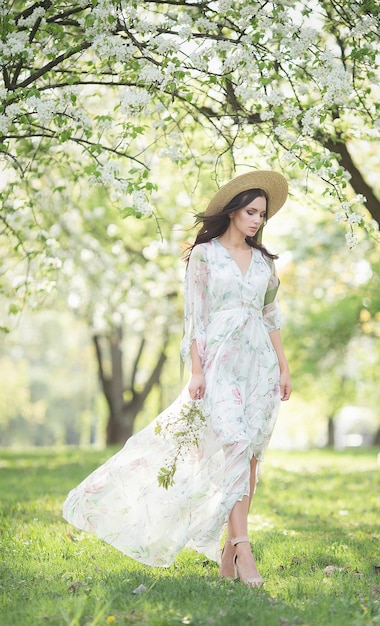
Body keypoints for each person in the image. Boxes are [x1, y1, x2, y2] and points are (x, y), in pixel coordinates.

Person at [63, 169, 292, 588]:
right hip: (220, 361)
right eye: (251, 212)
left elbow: (271, 315)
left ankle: (228, 555)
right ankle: (242, 547)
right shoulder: (204, 255)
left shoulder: (264, 262)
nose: (258, 220)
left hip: (258, 363)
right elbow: (195, 319)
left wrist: (284, 366)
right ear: (233, 212)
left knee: (252, 456)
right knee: (235, 445)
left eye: (262, 214)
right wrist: (197, 370)